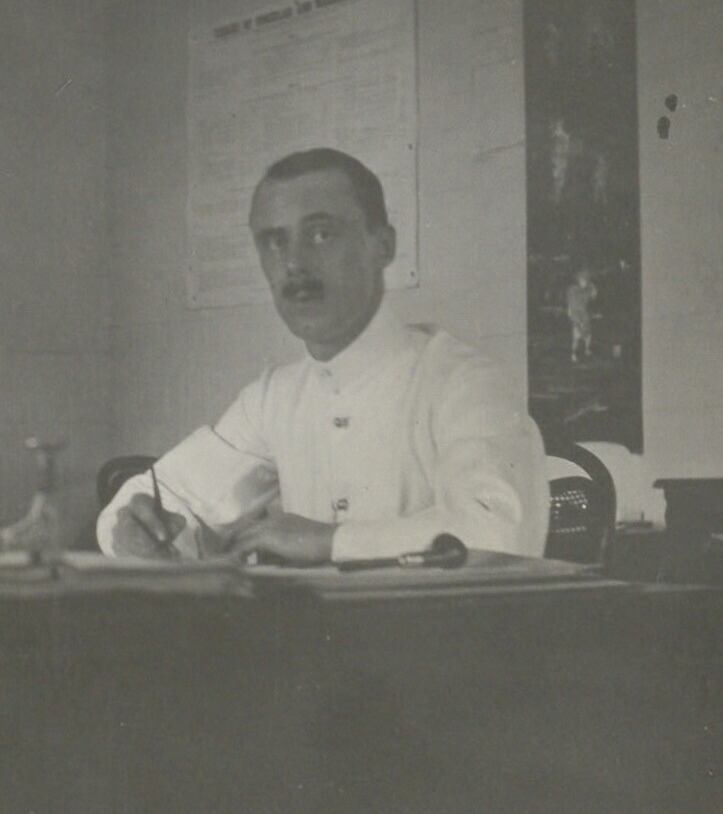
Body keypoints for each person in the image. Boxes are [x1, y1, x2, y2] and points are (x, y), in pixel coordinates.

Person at [97, 148, 550, 564]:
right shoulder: (273, 398)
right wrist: (133, 527)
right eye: (274, 241)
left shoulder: (463, 382)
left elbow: (503, 535)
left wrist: (331, 541)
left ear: (383, 246)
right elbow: (159, 496)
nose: (294, 263)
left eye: (320, 234)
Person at [566, 266, 598, 362]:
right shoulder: (573, 290)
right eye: (581, 280)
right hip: (575, 313)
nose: (583, 282)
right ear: (578, 280)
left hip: (583, 313)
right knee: (576, 335)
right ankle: (573, 354)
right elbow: (571, 305)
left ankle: (587, 350)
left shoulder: (588, 289)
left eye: (585, 280)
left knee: (588, 334)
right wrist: (574, 317)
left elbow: (593, 296)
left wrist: (594, 289)